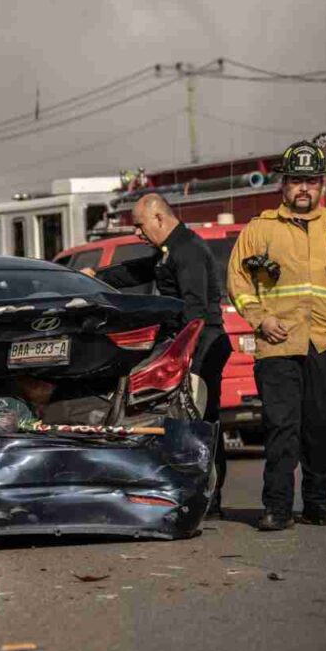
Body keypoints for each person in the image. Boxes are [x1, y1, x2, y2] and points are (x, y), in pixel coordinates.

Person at [227, 141, 326, 531]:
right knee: (281, 428)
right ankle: (276, 507)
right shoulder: (261, 229)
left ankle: (317, 504)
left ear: (322, 183)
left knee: (323, 429)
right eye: (296, 181)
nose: (303, 189)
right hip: (278, 346)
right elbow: (238, 281)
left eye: (311, 181)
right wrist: (259, 319)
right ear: (283, 185)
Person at [84, 193, 232, 517]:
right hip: (192, 346)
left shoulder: (188, 250)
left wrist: (182, 356)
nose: (138, 233)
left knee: (201, 424)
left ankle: (210, 496)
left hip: (202, 347)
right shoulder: (170, 250)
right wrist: (97, 277)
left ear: (159, 218)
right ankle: (194, 491)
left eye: (140, 225)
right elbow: (138, 271)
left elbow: (193, 312)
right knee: (187, 422)